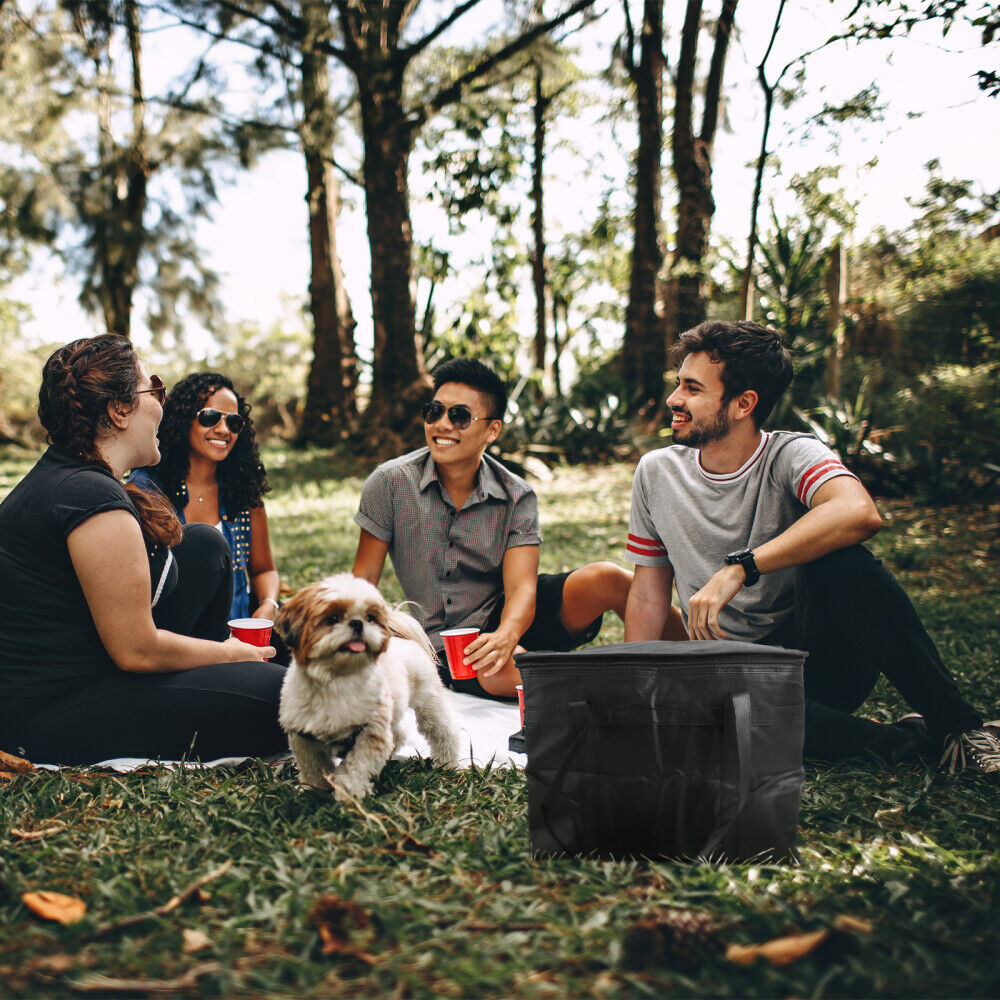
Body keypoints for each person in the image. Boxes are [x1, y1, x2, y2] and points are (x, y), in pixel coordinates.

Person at [624, 319, 999, 773]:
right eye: (678, 384)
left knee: (842, 561)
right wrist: (633, 690)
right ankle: (914, 742)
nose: (674, 399)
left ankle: (960, 728)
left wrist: (740, 567)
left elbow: (858, 512)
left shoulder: (792, 454)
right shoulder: (656, 472)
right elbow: (647, 591)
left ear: (744, 404)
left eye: (692, 388)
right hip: (729, 674)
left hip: (817, 661)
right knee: (719, 719)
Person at [0, 336, 288, 766]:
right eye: (153, 389)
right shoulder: (88, 497)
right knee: (285, 697)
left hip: (96, 667)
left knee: (205, 545)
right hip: (50, 714)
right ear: (119, 410)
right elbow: (136, 651)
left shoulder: (77, 477)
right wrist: (233, 653)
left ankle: (223, 680)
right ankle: (233, 680)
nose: (161, 404)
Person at [352, 357, 680, 700]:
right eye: (435, 412)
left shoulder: (516, 495)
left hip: (511, 615)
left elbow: (522, 589)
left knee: (609, 579)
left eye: (460, 416)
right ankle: (625, 688)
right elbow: (362, 584)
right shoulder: (389, 483)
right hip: (447, 645)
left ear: (492, 430)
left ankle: (706, 660)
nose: (442, 425)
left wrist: (507, 633)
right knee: (513, 671)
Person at [129, 372, 280, 625]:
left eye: (233, 422)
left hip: (240, 636)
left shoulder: (243, 490)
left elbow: (264, 570)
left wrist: (268, 605)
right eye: (210, 417)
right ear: (183, 420)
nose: (223, 429)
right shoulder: (147, 489)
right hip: (176, 639)